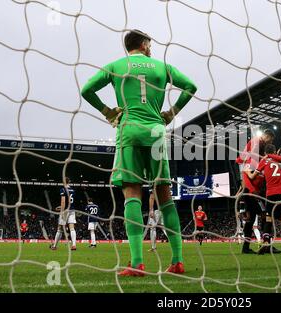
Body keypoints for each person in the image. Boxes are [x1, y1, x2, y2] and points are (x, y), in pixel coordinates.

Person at [81, 29, 197, 276]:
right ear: (143, 44)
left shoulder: (115, 66)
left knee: (132, 194)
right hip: (155, 131)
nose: (151, 48)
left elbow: (86, 90)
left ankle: (137, 264)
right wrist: (171, 113)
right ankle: (177, 261)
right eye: (150, 44)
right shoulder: (162, 67)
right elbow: (191, 86)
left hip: (129, 129)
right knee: (164, 195)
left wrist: (107, 112)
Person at [50, 177, 77, 250]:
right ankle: (74, 245)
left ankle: (54, 246)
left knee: (59, 228)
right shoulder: (73, 190)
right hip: (72, 210)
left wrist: (61, 210)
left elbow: (63, 202)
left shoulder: (63, 189)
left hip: (65, 210)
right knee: (72, 228)